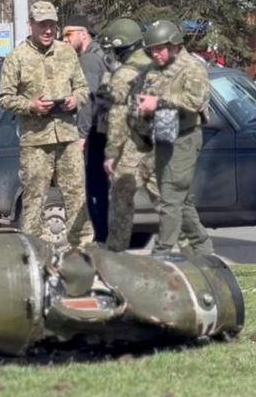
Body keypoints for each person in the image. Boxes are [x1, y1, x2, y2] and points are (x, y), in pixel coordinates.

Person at [0, 1, 93, 248]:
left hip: (67, 136)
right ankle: (35, 251)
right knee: (34, 198)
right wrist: (31, 106)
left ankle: (83, 249)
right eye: (43, 25)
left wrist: (75, 99)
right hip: (36, 140)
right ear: (31, 25)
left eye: (52, 24)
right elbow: (4, 97)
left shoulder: (67, 52)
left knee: (76, 195)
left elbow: (82, 87)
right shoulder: (17, 57)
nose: (48, 30)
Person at [135, 20, 213, 257]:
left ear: (174, 45)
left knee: (170, 199)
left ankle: (161, 253)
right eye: (151, 50)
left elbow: (194, 101)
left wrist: (158, 102)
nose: (155, 54)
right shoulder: (154, 69)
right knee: (182, 200)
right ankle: (203, 250)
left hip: (186, 138)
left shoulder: (192, 68)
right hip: (163, 137)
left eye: (159, 48)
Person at [101, 18, 158, 252]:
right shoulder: (157, 65)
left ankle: (116, 252)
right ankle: (194, 250)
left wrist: (112, 152)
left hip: (133, 145)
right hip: (161, 143)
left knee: (121, 201)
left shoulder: (124, 74)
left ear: (121, 47)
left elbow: (116, 116)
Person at [63, 14, 116, 244]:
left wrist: (82, 134)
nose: (64, 40)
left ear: (83, 34)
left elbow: (87, 100)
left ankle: (101, 240)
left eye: (68, 34)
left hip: (97, 133)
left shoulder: (88, 60)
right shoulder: (100, 55)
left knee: (95, 191)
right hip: (105, 130)